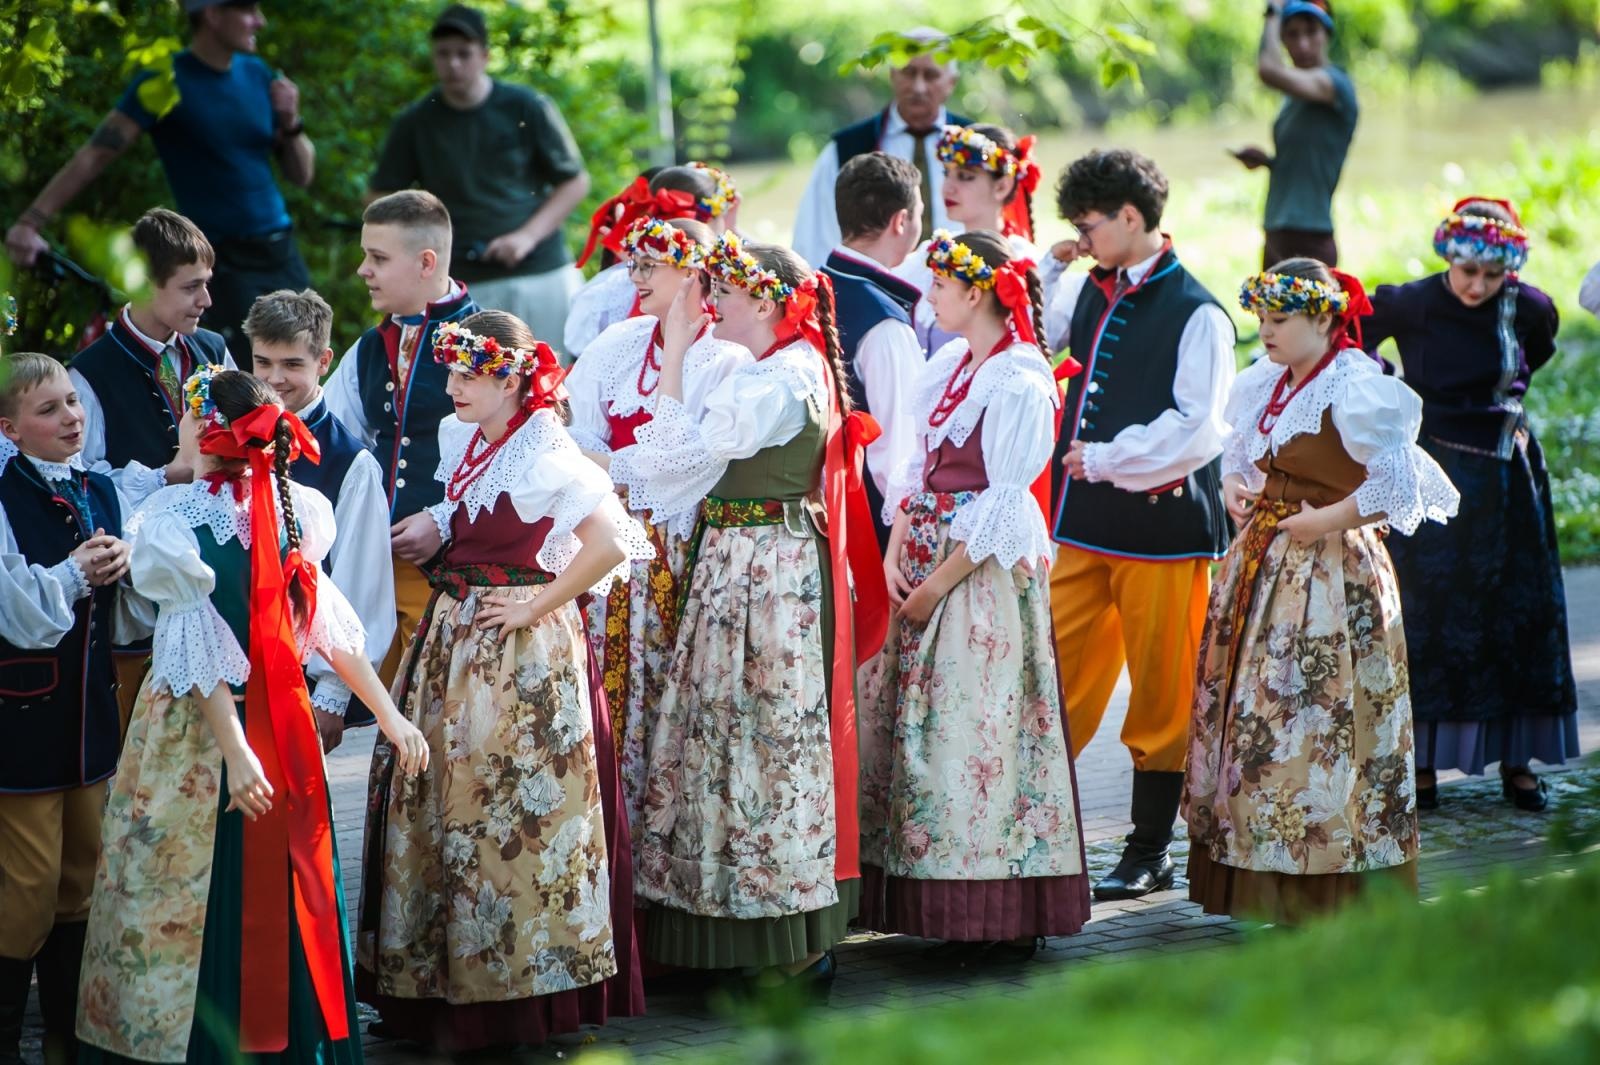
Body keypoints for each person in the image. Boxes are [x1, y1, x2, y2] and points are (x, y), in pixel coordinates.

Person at [75, 368, 429, 1064]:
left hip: (208, 733)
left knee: (197, 882)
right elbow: (277, 634)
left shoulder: (183, 518)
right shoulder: (271, 507)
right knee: (230, 877)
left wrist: (388, 717)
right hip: (250, 728)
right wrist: (383, 717)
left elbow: (313, 625)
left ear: (202, 433)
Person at [356, 311, 649, 1052]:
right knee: (441, 805)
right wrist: (438, 521)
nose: (454, 387)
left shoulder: (547, 446)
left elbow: (611, 542)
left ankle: (514, 1001)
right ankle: (440, 992)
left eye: (470, 375)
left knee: (505, 813)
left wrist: (535, 604)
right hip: (454, 638)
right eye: (453, 372)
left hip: (520, 656)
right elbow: (473, 504)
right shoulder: (468, 438)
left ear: (514, 378)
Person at [608, 233, 888, 986]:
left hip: (764, 570)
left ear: (765, 303)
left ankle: (788, 944)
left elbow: (671, 460)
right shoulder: (780, 369)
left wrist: (673, 352)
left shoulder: (778, 380)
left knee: (759, 735)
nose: (712, 306)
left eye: (724, 294)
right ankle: (744, 932)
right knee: (732, 734)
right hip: (747, 564)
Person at [1184, 260, 1458, 923]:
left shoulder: (1356, 385)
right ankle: (1259, 872)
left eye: (1280, 319)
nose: (1266, 330)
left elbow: (1399, 485)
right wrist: (1237, 487)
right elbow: (1240, 458)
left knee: (1318, 718)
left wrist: (1324, 520)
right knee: (1258, 721)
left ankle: (1324, 884)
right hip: (1266, 565)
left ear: (1324, 318)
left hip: (1331, 575)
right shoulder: (1268, 381)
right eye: (1261, 317)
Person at [859, 230, 1088, 958]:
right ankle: (924, 898)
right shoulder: (950, 365)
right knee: (918, 730)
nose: (930, 296)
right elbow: (915, 469)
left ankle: (990, 913)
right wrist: (895, 550)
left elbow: (1006, 501)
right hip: (925, 555)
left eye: (940, 285)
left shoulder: (1020, 377)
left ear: (977, 290)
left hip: (975, 572)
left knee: (972, 729)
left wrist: (936, 585)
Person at [1046, 150, 1235, 901]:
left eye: (1087, 224)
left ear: (1131, 216)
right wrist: (1052, 266)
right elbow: (1035, 335)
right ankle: (1033, 830)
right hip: (1085, 525)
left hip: (1163, 532)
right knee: (1051, 673)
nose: (1081, 238)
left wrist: (1105, 457)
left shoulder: (1199, 312)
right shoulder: (1091, 287)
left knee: (1161, 691)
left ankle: (1150, 847)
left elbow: (1200, 429)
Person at [1364, 199, 1580, 810]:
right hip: (1434, 471)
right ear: (1448, 258)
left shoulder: (1529, 306)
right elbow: (1355, 337)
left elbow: (1538, 350)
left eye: (1492, 275)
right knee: (1430, 612)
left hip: (1509, 477)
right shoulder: (1412, 301)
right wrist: (1391, 390)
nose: (1478, 286)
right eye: (1467, 272)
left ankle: (1517, 761)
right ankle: (1422, 765)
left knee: (1516, 612)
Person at [564, 217, 749, 832]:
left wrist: (613, 467)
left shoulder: (726, 359)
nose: (635, 276)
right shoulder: (619, 343)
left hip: (676, 550)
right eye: (633, 263)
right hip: (606, 543)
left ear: (694, 273)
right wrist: (615, 469)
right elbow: (572, 433)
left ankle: (657, 846)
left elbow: (676, 470)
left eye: (650, 265)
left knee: (663, 696)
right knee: (603, 694)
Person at [0, 354, 153, 1065]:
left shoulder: (100, 487)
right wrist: (75, 573)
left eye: (72, 401)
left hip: (90, 717)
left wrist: (126, 567)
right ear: (9, 428)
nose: (71, 417)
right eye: (49, 409)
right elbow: (16, 608)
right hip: (21, 724)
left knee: (83, 878)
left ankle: (69, 1039)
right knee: (25, 887)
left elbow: (126, 616)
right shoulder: (4, 496)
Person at [5, 1, 314, 346]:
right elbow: (97, 153)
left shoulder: (257, 73)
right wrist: (31, 222)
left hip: (282, 251)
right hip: (223, 262)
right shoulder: (165, 79)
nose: (260, 21)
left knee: (304, 358)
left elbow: (302, 175)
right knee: (247, 370)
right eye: (248, 11)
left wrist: (291, 121)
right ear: (212, 14)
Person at [66, 207, 223, 727]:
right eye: (191, 287)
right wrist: (168, 475)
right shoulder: (89, 374)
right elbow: (83, 485)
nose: (206, 300)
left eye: (206, 284)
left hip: (215, 571)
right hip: (140, 590)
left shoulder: (213, 350)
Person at [323, 190, 479, 686]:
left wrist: (444, 518)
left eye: (378, 258)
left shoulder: (486, 344)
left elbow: (518, 460)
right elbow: (334, 439)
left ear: (426, 262)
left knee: (436, 701)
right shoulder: (370, 348)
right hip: (375, 566)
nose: (363, 270)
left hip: (458, 570)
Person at [370, 3, 590, 354]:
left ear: (484, 56)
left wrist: (526, 237)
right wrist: (420, 244)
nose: (453, 63)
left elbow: (574, 182)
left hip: (542, 270)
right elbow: (380, 198)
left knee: (558, 373)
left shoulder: (526, 106)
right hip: (463, 279)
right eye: (444, 54)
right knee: (471, 377)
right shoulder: (416, 122)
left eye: (464, 53)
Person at [244, 288, 394, 743]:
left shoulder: (351, 463)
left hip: (305, 672)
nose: (274, 379)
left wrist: (332, 694)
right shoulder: (231, 439)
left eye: (292, 364)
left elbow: (360, 581)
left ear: (323, 361)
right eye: (263, 362)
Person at [820, 151, 927, 548]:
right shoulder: (883, 324)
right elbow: (897, 452)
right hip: (868, 529)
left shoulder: (811, 288)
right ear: (901, 221)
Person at [791, 30, 969, 266]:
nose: (918, 87)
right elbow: (815, 237)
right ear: (893, 74)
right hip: (871, 284)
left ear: (951, 82)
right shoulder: (847, 149)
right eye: (909, 72)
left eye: (931, 75)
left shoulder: (977, 144)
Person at [896, 123, 1045, 356]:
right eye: (946, 174)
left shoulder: (1024, 260)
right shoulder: (934, 251)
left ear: (1002, 186)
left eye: (965, 177)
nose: (948, 188)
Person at [566, 163, 740, 359]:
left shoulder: (608, 291)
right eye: (640, 265)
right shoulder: (738, 291)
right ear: (706, 224)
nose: (636, 277)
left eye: (647, 266)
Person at [1232, 0, 1358, 269]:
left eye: (1311, 32)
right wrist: (1269, 162)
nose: (1302, 44)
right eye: (1292, 34)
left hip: (1310, 237)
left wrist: (1273, 10)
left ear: (1327, 34)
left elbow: (1269, 71)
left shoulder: (1334, 84)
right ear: (1283, 40)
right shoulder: (1294, 98)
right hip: (1276, 233)